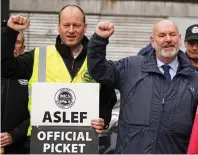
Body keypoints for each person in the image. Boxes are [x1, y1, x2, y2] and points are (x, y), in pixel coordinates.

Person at [2, 5, 116, 147]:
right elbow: (6, 68)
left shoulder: (96, 61)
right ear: (59, 27)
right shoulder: (39, 56)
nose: (71, 30)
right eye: (66, 25)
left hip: (81, 145)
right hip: (43, 144)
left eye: (76, 25)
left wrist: (102, 120)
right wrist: (10, 33)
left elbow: (108, 98)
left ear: (85, 27)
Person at [87, 20, 198, 153]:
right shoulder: (130, 67)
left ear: (180, 39)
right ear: (152, 41)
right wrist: (99, 40)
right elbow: (98, 70)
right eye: (162, 35)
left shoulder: (196, 80)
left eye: (172, 34)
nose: (168, 39)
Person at [1, 23, 30, 154]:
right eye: (9, 41)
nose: (13, 46)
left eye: (17, 42)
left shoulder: (32, 75)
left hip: (20, 147)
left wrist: (14, 135)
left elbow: (39, 112)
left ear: (23, 48)